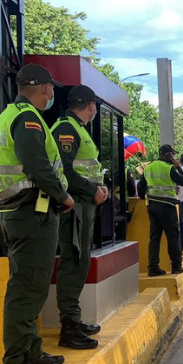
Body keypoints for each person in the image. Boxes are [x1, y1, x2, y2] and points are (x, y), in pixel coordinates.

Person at [0, 64, 73, 364]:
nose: (53, 93)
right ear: (43, 88)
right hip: (31, 211)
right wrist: (62, 195)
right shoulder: (27, 119)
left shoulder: (11, 114)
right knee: (27, 289)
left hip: (27, 209)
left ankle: (32, 351)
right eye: (51, 88)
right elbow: (36, 164)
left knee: (31, 286)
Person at [50, 85, 108, 350]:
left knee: (80, 260)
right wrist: (92, 190)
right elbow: (64, 173)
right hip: (76, 206)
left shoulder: (77, 128)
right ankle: (69, 326)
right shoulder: (66, 129)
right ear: (92, 106)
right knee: (74, 261)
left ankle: (73, 319)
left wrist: (98, 188)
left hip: (85, 203)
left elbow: (84, 169)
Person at [138, 144, 183, 277]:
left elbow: (140, 187)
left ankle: (152, 268)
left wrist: (144, 197)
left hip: (152, 206)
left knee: (154, 238)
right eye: (173, 154)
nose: (174, 156)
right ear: (168, 154)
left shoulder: (148, 168)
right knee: (173, 237)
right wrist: (178, 167)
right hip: (166, 206)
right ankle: (176, 266)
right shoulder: (169, 168)